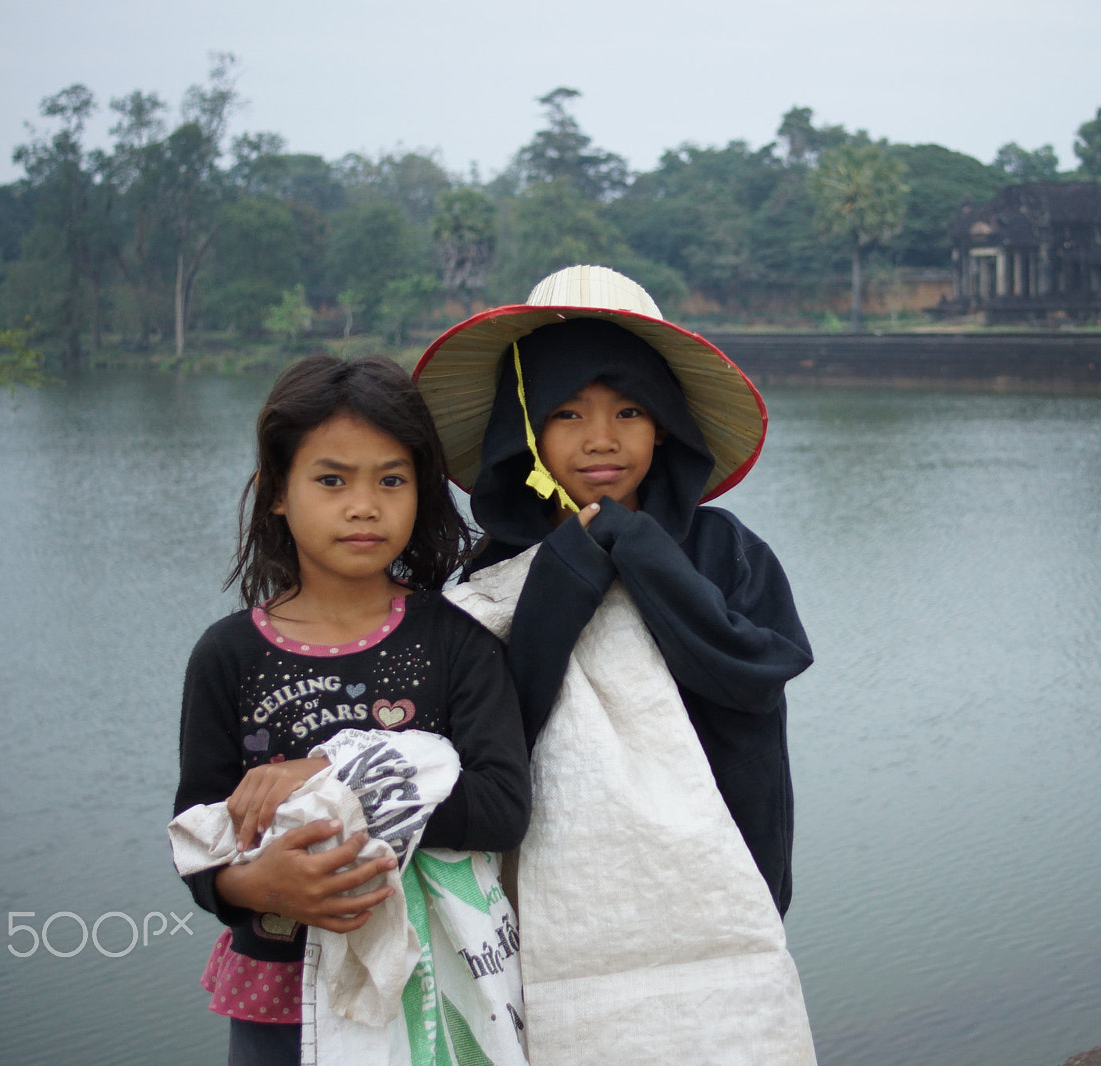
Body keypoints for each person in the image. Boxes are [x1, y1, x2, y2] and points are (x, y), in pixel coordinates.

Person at [414, 265, 816, 1063]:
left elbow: (754, 674)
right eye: (566, 413)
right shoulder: (494, 576)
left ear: (665, 423)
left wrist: (635, 546)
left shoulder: (725, 549)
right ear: (523, 432)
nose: (601, 440)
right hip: (564, 901)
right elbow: (497, 730)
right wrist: (567, 569)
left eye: (630, 410)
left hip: (725, 872)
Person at [172, 355, 530, 1066]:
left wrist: (331, 775)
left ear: (420, 493)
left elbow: (500, 805)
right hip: (277, 989)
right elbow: (199, 834)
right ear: (277, 491)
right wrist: (255, 883)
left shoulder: (457, 642)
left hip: (435, 974)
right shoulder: (229, 656)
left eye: (391, 480)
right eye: (331, 479)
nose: (364, 505)